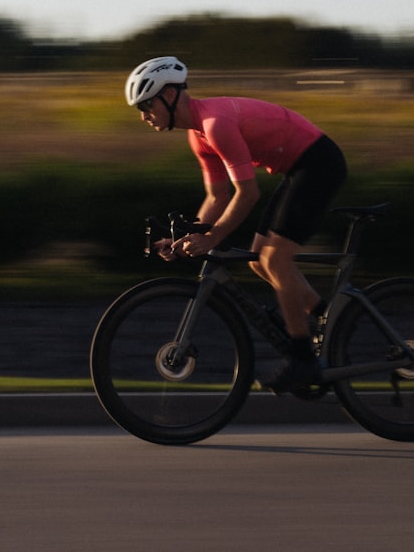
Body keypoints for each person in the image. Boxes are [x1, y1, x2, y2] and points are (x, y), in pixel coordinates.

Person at [124, 56, 347, 392]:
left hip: (318, 163)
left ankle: (303, 360)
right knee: (260, 260)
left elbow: (248, 193)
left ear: (169, 96)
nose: (143, 116)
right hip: (298, 168)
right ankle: (328, 318)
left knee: (276, 258)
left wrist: (211, 239)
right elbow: (217, 197)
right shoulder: (198, 136)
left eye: (146, 104)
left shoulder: (216, 124)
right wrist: (186, 236)